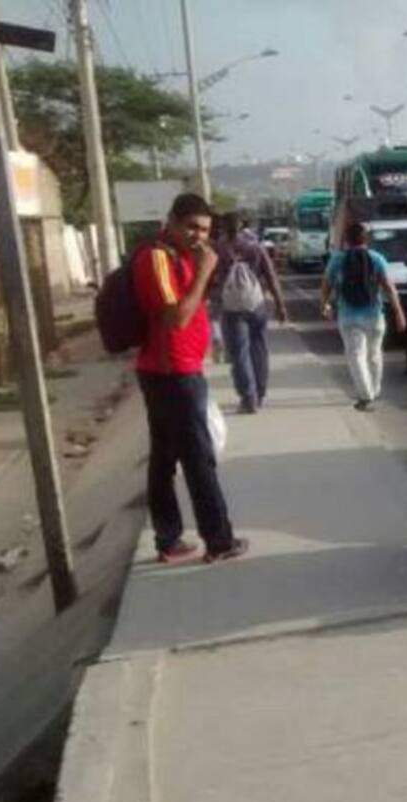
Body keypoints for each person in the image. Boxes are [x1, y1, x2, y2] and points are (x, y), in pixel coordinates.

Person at [132, 192, 248, 564]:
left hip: (175, 370)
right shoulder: (157, 257)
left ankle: (168, 539)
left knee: (164, 459)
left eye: (205, 230)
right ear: (172, 221)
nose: (199, 235)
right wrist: (203, 272)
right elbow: (175, 317)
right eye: (192, 227)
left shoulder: (179, 255)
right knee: (198, 458)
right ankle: (219, 541)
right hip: (172, 375)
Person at [321, 221, 407, 411]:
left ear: (347, 240)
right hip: (374, 314)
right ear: (365, 239)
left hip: (348, 315)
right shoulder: (376, 258)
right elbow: (389, 288)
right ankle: (374, 390)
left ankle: (365, 394)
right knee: (375, 354)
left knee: (356, 355)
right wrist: (399, 312)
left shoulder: (337, 259)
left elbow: (326, 285)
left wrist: (325, 304)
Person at [211, 213, 288, 414]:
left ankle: (248, 397)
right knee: (259, 349)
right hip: (257, 305)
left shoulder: (217, 249)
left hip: (231, 309)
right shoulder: (255, 247)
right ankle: (260, 393)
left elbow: (210, 280)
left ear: (222, 226)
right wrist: (280, 305)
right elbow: (271, 276)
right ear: (241, 226)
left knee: (239, 354)